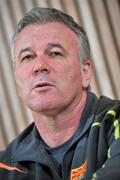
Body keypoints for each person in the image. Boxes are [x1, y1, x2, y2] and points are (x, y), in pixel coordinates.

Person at [0, 7, 120, 180]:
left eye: (55, 53)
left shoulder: (113, 123)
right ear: (17, 80)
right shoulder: (6, 166)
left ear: (85, 73)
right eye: (27, 57)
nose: (39, 65)